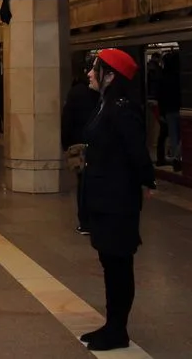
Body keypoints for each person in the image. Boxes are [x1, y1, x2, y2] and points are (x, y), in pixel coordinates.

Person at [79, 48, 156, 352]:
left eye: (94, 68)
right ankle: (111, 325)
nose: (89, 73)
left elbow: (136, 150)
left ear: (110, 75)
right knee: (110, 264)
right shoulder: (105, 104)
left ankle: (117, 331)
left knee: (119, 265)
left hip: (117, 201)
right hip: (104, 198)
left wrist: (147, 180)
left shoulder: (122, 108)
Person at [61, 57, 100, 235]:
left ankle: (85, 222)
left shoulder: (75, 92)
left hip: (78, 145)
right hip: (96, 145)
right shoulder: (102, 94)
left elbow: (67, 120)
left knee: (82, 183)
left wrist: (66, 144)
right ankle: (95, 218)